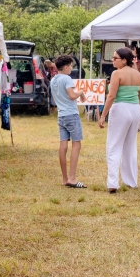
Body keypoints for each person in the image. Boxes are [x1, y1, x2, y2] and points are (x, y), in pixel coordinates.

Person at [98, 47, 140, 193]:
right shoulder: (138, 75)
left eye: (115, 58)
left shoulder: (116, 73)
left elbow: (111, 96)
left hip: (120, 109)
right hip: (135, 109)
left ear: (124, 60)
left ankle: (113, 183)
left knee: (114, 145)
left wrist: (103, 115)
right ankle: (131, 181)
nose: (113, 60)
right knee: (130, 146)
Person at [50, 54, 87, 188]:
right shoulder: (67, 78)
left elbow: (55, 100)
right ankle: (72, 177)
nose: (72, 68)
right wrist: (80, 91)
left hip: (61, 116)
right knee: (76, 144)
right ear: (65, 67)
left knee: (63, 145)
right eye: (71, 65)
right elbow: (72, 96)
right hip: (71, 115)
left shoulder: (53, 80)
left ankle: (65, 178)